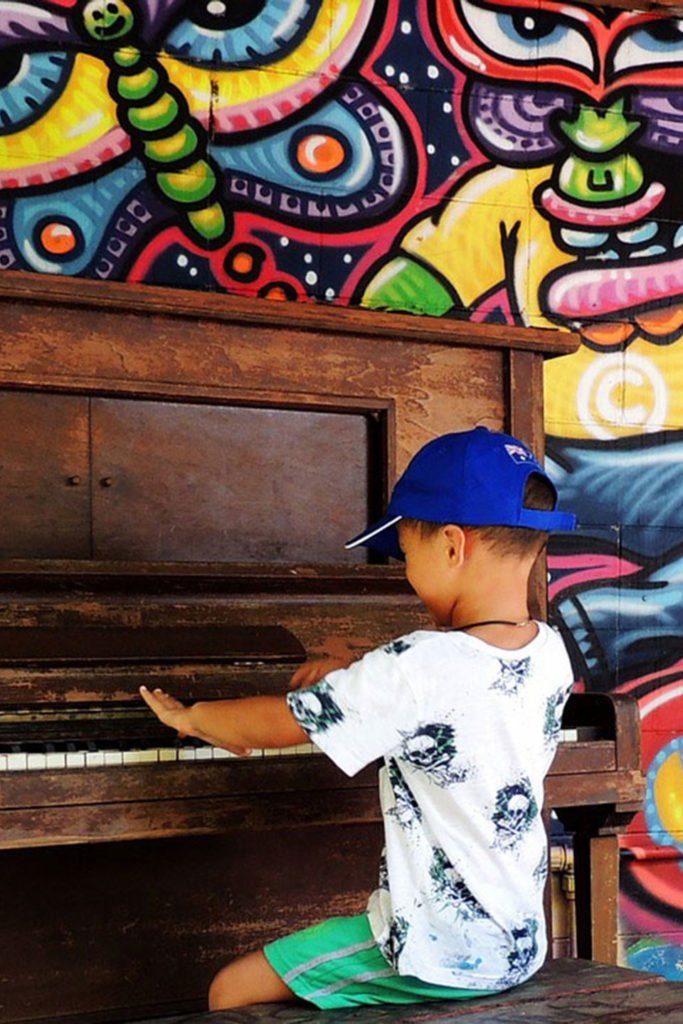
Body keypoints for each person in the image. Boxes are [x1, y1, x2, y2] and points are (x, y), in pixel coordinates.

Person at [140, 426, 576, 1010]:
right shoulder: (547, 649)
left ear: (452, 546)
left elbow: (281, 722)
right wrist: (356, 671)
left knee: (230, 992)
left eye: (407, 552)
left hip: (435, 952)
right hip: (516, 943)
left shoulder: (418, 665)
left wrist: (195, 717)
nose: (404, 571)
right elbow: (451, 684)